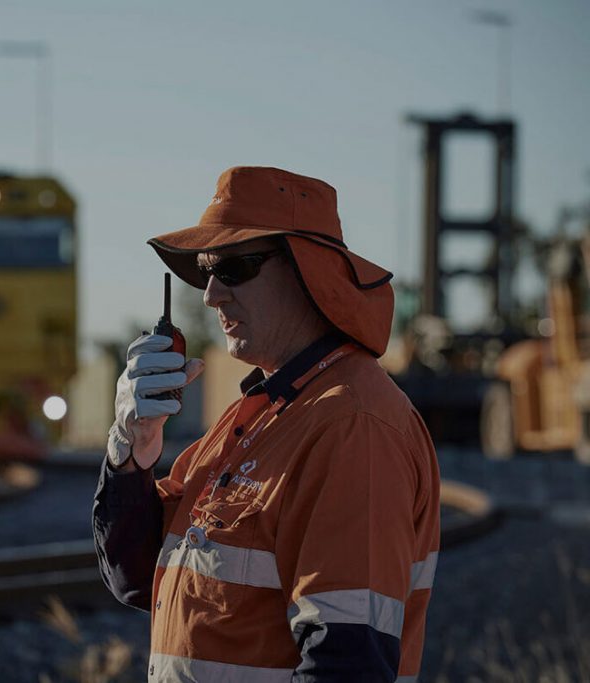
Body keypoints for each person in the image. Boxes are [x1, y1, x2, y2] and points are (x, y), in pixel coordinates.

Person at [93, 166, 440, 682]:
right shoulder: (257, 416)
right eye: (205, 271)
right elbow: (137, 578)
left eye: (233, 267)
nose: (211, 295)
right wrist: (131, 450)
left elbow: (346, 663)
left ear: (309, 272)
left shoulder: (353, 425)